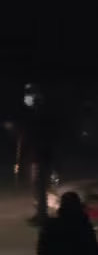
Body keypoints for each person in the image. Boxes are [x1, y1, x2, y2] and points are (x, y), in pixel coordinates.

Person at [9, 83, 57, 225]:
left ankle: (42, 215)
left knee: (38, 186)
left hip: (39, 155)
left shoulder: (39, 114)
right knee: (36, 187)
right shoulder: (32, 114)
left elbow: (32, 135)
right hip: (35, 155)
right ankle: (40, 213)